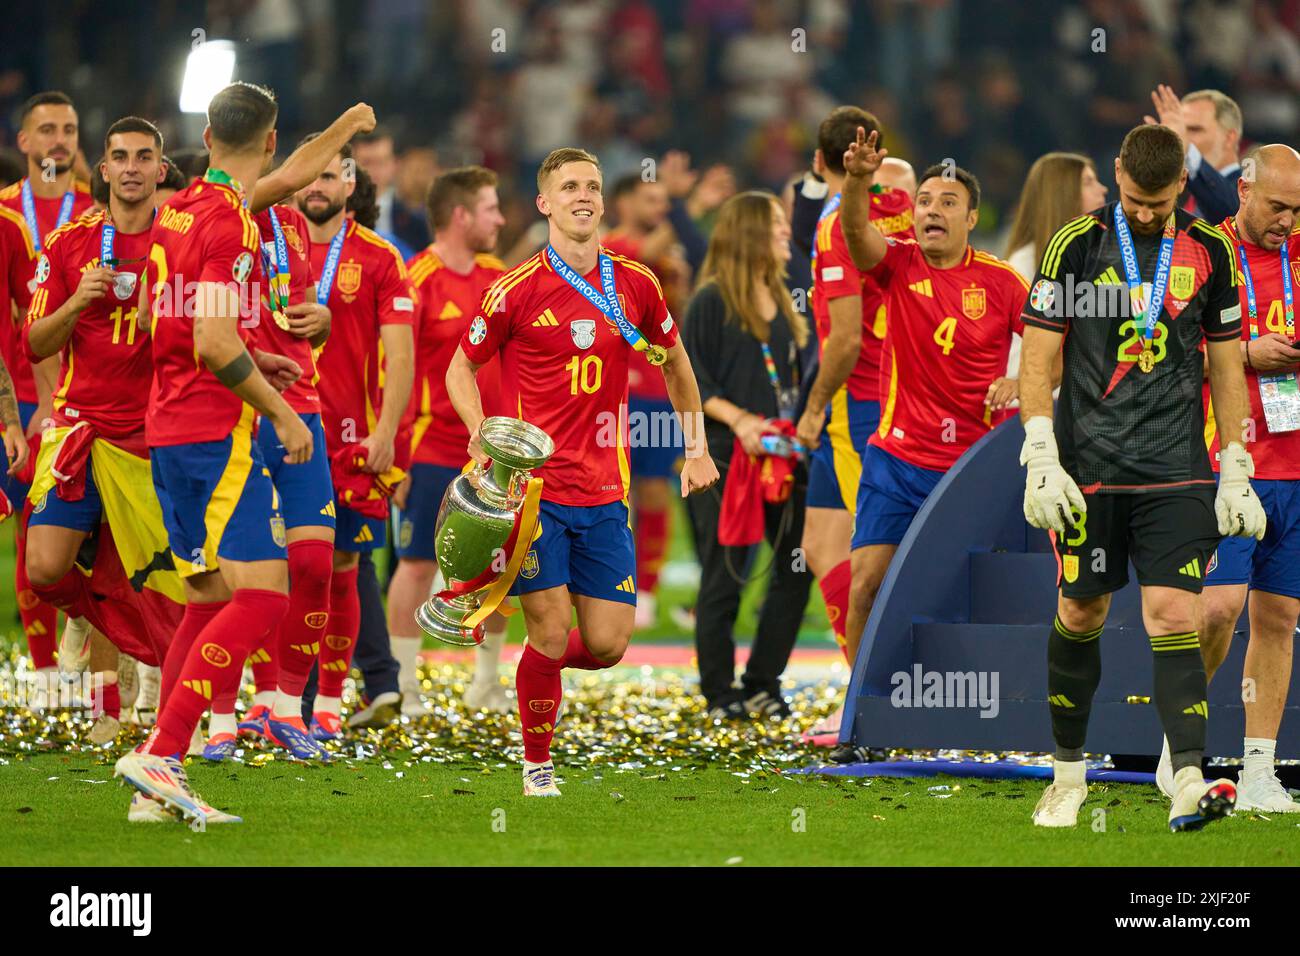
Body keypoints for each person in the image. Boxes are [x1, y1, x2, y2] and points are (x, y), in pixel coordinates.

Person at [447, 147, 718, 797]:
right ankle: (537, 765)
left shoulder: (637, 284)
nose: (583, 195)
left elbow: (676, 365)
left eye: (592, 185)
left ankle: (535, 672)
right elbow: (461, 367)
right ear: (545, 204)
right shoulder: (515, 289)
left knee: (606, 644)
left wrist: (697, 447)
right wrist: (479, 435)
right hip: (536, 494)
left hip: (605, 493)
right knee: (549, 627)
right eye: (569, 186)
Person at [1018, 123, 1261, 832]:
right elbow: (1037, 357)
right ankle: (1067, 776)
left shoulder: (1211, 250)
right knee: (1081, 613)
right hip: (1087, 470)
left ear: (1183, 184)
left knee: (1174, 615)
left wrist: (1237, 462)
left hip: (1176, 470)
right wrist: (1039, 450)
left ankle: (1187, 778)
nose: (1146, 213)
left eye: (1158, 203)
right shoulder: (1074, 244)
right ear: (1117, 171)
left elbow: (1226, 362)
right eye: (1133, 199)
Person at [114, 82, 310, 826]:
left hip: (168, 426)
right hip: (211, 431)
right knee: (265, 596)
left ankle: (152, 785)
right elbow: (214, 340)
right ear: (270, 140)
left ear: (204, 132)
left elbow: (162, 318)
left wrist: (260, 357)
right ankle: (164, 753)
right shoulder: (232, 222)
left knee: (208, 600)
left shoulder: (178, 210)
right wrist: (281, 409)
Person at [832, 128, 1030, 763]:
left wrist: (1021, 379)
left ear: (971, 218)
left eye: (946, 202)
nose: (930, 211)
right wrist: (859, 181)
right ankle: (862, 718)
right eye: (922, 200)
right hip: (896, 457)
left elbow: (1059, 347)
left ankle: (984, 716)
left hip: (972, 470)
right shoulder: (896, 263)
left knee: (969, 598)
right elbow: (857, 239)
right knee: (866, 583)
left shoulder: (1002, 283)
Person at [22, 117, 181, 749]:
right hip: (81, 431)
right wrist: (76, 303)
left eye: (146, 157)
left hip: (153, 438)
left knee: (156, 583)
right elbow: (34, 341)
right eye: (121, 157)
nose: (134, 167)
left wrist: (164, 315)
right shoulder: (67, 244)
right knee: (45, 569)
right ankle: (90, 627)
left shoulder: (182, 244)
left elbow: (210, 336)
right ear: (105, 171)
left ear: (161, 169)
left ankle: (114, 715)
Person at [793, 107, 915, 740]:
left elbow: (841, 341)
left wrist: (813, 410)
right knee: (820, 545)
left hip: (857, 400)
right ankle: (866, 693)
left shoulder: (836, 226)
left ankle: (877, 702)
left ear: (820, 164)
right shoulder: (904, 204)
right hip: (893, 390)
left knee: (874, 559)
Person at [1192, 144, 1300, 812]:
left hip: (1294, 464)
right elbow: (1162, 348)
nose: (1288, 221)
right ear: (1244, 189)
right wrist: (1240, 355)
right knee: (1218, 608)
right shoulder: (1203, 253)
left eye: (1298, 209)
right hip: (1227, 461)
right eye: (1278, 206)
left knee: (1280, 616)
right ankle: (1182, 749)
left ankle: (1259, 772)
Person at [296, 140, 415, 740]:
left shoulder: (378, 256)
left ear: (349, 186)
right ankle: (291, 694)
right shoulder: (268, 248)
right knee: (292, 566)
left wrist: (387, 432)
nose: (314, 188)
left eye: (327, 177)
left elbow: (401, 356)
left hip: (349, 440)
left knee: (344, 563)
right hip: (280, 429)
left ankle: (324, 703)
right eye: (305, 177)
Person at [681, 191, 813, 718]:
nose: (785, 232)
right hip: (723, 457)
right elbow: (691, 381)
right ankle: (719, 691)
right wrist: (739, 421)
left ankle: (763, 680)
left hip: (781, 456)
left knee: (796, 568)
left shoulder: (784, 295)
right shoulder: (711, 300)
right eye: (776, 223)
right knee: (726, 574)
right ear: (751, 233)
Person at [389, 166, 508, 716]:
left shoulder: (498, 276)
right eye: (491, 209)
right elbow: (398, 371)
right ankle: (404, 684)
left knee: (500, 566)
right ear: (461, 216)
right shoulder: (418, 278)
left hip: (495, 455)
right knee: (414, 566)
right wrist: (398, 454)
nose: (501, 219)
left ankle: (486, 682)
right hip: (432, 448)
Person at [0, 91, 95, 691]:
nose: (60, 139)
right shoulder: (5, 215)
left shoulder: (98, 209)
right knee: (31, 534)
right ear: (24, 143)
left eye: (69, 127)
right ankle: (44, 676)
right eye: (47, 129)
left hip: (85, 394)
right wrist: (19, 414)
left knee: (89, 538)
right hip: (25, 398)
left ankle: (89, 653)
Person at [602, 174, 688, 630]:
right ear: (624, 201)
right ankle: (613, 584)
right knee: (615, 490)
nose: (660, 207)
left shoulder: (670, 255)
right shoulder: (610, 246)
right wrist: (686, 207)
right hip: (618, 390)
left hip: (658, 390)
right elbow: (645, 256)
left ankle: (649, 588)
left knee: (655, 492)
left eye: (664, 201)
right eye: (651, 199)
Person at [1002, 152, 1109, 386]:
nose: (1103, 189)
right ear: (1063, 195)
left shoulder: (1095, 259)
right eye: (1088, 182)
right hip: (1034, 403)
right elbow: (1022, 355)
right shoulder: (1023, 267)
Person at [1145, 85, 1243, 224]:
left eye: (1194, 129)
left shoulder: (1251, 191)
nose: (1181, 136)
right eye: (1180, 129)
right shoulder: (1184, 191)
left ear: (1229, 138)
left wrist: (1187, 150)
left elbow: (1233, 214)